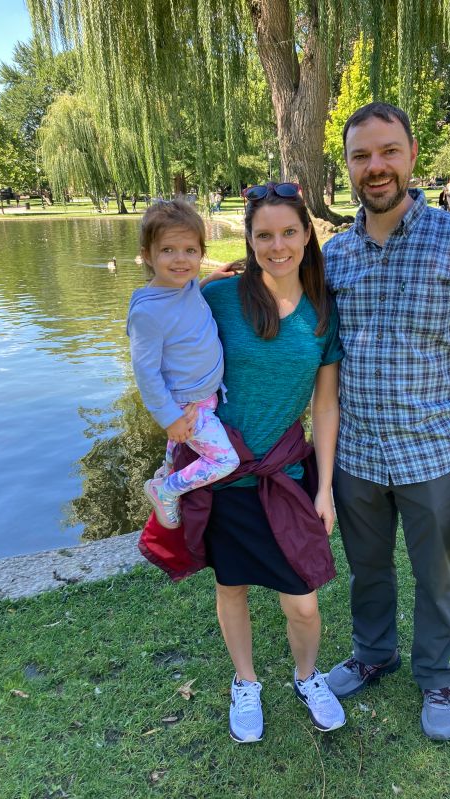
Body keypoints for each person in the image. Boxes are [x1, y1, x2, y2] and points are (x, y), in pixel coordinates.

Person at [322, 102, 450, 741]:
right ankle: (373, 652)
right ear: (348, 167)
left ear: (410, 157)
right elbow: (293, 323)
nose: (374, 167)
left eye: (387, 152)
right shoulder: (333, 257)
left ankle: (437, 675)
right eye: (361, 156)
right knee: (367, 569)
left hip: (432, 453)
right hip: (355, 454)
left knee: (436, 577)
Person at [145, 183, 347, 743]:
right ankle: (246, 681)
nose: (276, 245)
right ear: (250, 239)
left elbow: (324, 404)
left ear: (307, 234)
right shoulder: (216, 297)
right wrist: (172, 420)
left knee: (302, 602)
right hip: (221, 470)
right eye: (264, 235)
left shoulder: (324, 310)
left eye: (288, 232)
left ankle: (308, 678)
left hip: (284, 474)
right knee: (231, 587)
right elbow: (159, 341)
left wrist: (325, 488)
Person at [127, 200, 240, 528]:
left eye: (190, 250)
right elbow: (146, 373)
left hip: (201, 395)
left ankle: (168, 468)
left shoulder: (185, 285)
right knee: (225, 460)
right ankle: (165, 489)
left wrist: (208, 281)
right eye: (168, 250)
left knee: (180, 449)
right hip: (187, 406)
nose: (180, 259)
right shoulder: (147, 314)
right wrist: (170, 418)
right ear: (148, 255)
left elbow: (188, 300)